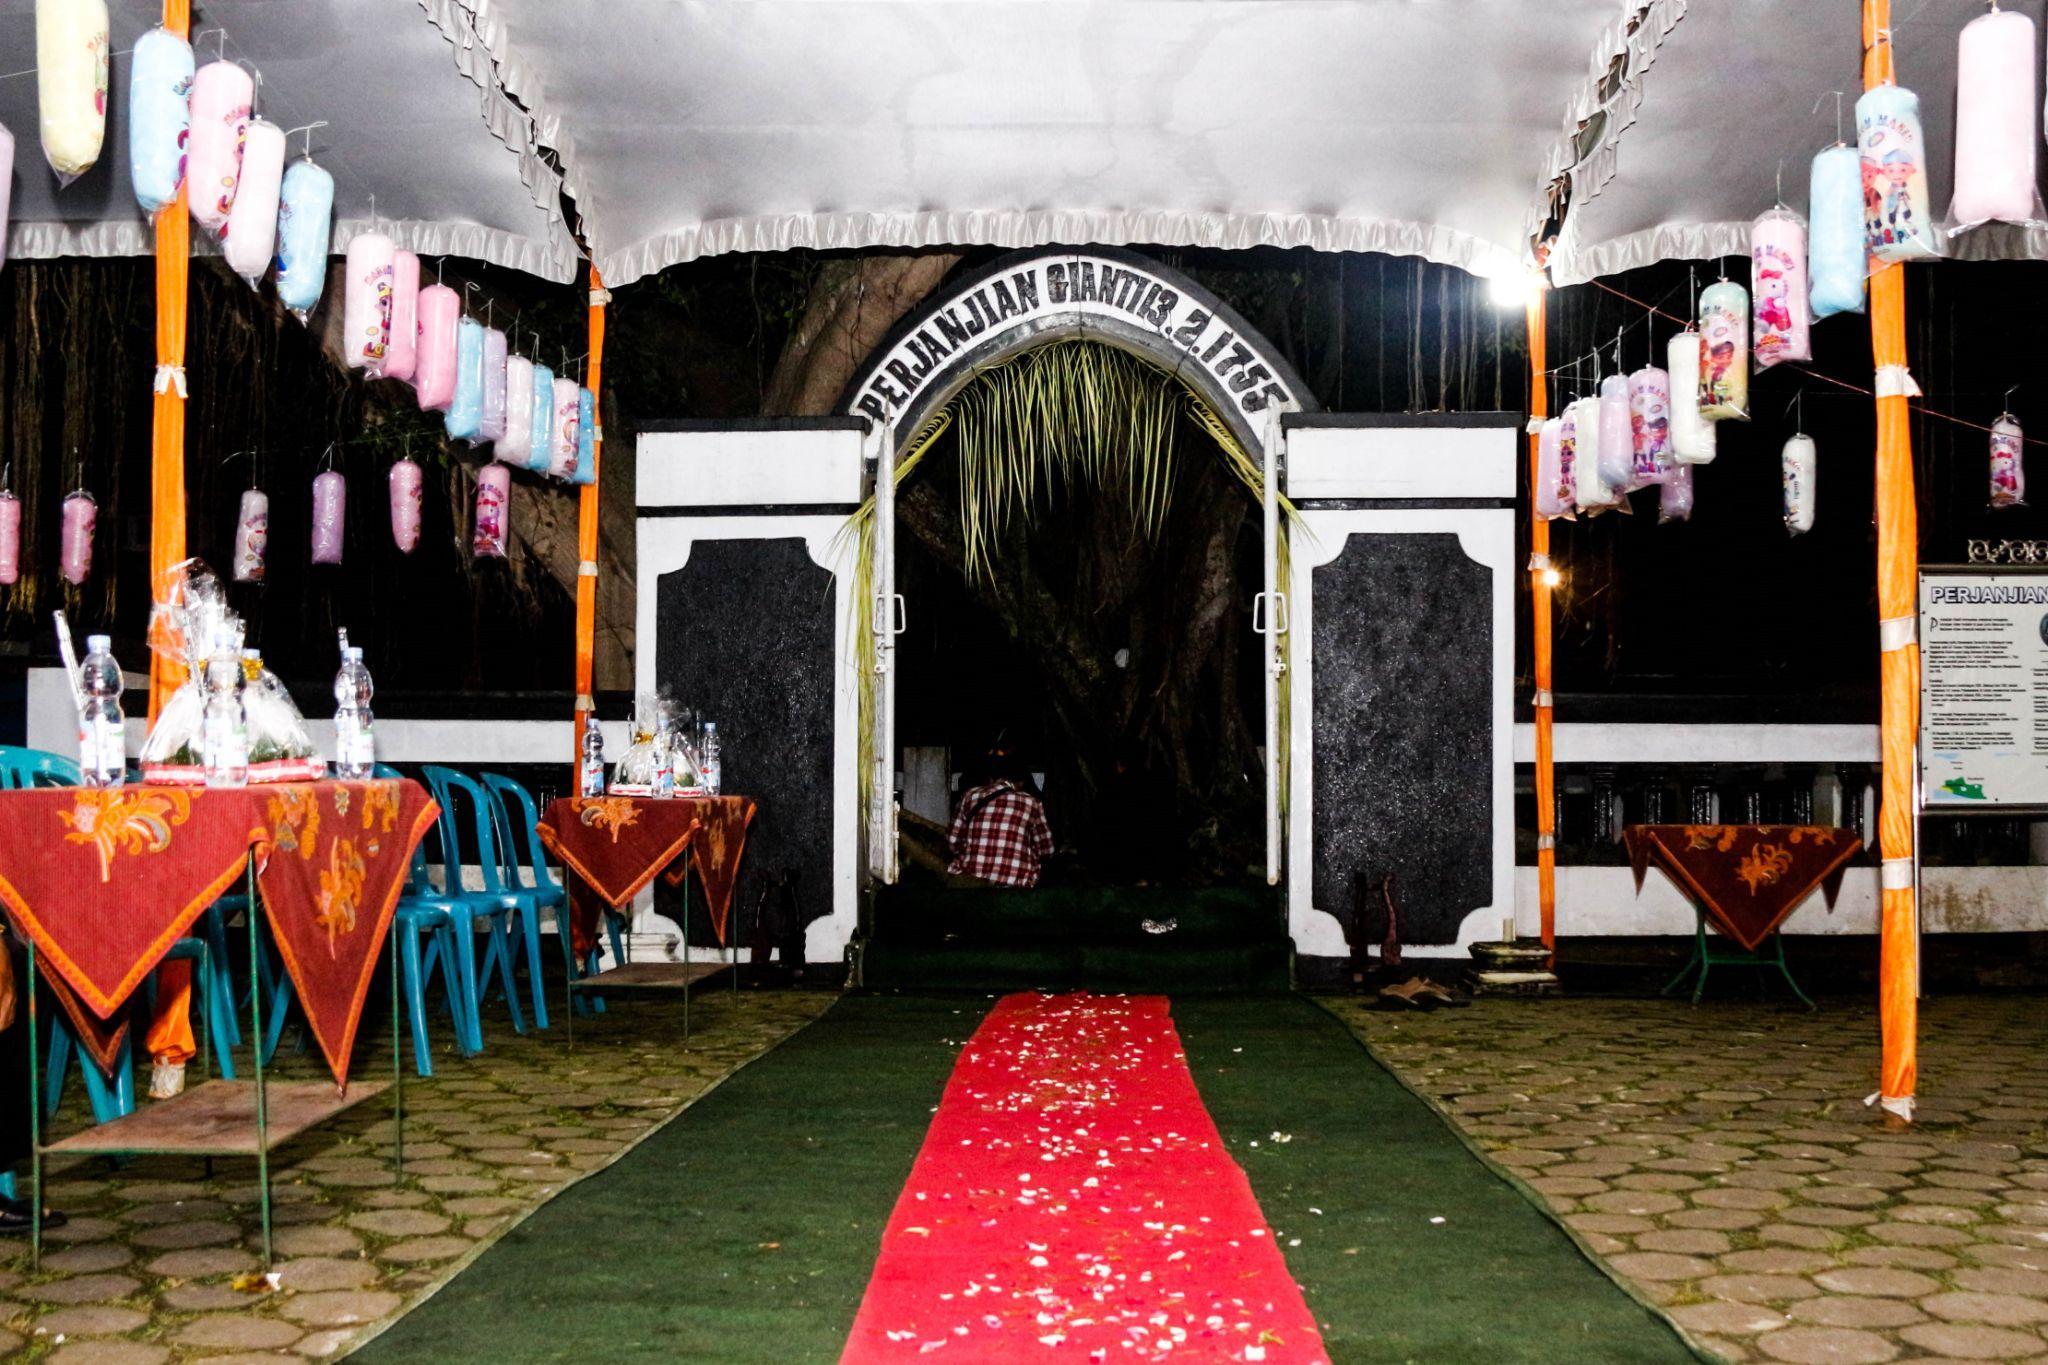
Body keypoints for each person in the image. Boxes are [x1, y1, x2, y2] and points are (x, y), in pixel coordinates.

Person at [946, 752, 1053, 889]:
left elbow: (952, 842)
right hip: (1016, 879)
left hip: (971, 874)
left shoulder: (969, 795)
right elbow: (1047, 851)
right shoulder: (1032, 802)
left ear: (990, 778)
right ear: (1021, 782)